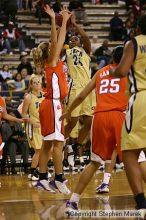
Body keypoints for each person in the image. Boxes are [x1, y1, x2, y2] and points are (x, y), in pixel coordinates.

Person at [61, 46, 128, 214]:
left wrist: (69, 111)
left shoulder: (100, 72)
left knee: (94, 162)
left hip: (99, 117)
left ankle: (73, 201)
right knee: (138, 159)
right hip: (119, 116)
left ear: (112, 57)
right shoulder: (128, 72)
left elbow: (82, 95)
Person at [109, 14, 146, 217]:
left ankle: (141, 202)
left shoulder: (134, 43)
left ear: (138, 29)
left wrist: (112, 73)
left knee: (129, 152)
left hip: (141, 99)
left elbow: (122, 71)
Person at [31, 5, 71, 194]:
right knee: (58, 143)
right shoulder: (52, 61)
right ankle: (59, 178)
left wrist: (63, 21)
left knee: (47, 143)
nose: (57, 45)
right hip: (52, 104)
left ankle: (42, 178)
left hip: (52, 105)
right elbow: (56, 40)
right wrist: (55, 21)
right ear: (51, 51)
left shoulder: (54, 60)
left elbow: (60, 40)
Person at [64, 14, 95, 170]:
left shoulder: (86, 50)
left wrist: (75, 25)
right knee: (73, 121)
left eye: (75, 39)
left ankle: (76, 146)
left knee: (89, 123)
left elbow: (84, 36)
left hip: (88, 87)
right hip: (75, 86)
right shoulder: (67, 53)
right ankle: (62, 143)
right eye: (71, 40)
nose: (73, 40)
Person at [22, 75, 44, 181]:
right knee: (38, 150)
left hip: (44, 125)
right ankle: (33, 172)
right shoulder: (28, 97)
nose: (38, 84)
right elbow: (23, 114)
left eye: (39, 82)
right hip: (33, 126)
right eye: (35, 82)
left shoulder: (45, 95)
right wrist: (32, 121)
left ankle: (41, 170)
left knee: (48, 150)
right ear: (31, 84)